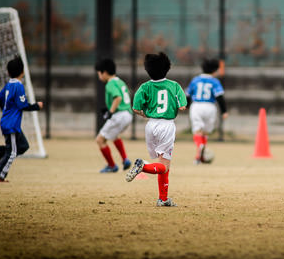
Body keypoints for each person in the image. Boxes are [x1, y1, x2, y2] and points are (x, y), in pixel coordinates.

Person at [125, 52, 187, 207]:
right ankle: (142, 166)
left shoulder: (144, 87)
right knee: (164, 165)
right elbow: (183, 106)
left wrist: (146, 114)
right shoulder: (174, 86)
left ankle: (163, 199)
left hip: (151, 125)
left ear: (147, 69)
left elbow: (136, 108)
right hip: (166, 125)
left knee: (162, 165)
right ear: (168, 68)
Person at [0, 56, 43, 182]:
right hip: (11, 124)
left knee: (23, 145)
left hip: (8, 122)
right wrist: (36, 106)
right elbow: (22, 105)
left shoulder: (9, 84)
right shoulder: (18, 86)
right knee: (13, 152)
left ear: (8, 72)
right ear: (23, 72)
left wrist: (6, 110)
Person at [185, 58, 228, 164]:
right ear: (215, 70)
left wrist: (186, 106)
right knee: (205, 132)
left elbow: (188, 94)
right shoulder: (215, 81)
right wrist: (224, 111)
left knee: (197, 131)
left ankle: (200, 148)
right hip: (210, 106)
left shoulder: (195, 80)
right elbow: (220, 97)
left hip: (197, 106)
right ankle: (200, 155)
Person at [95, 58, 133, 173]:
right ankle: (125, 159)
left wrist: (110, 112)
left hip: (119, 114)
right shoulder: (120, 81)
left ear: (105, 72)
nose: (99, 76)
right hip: (128, 114)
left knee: (100, 140)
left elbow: (118, 98)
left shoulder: (110, 83)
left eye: (99, 73)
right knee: (114, 135)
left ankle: (112, 166)